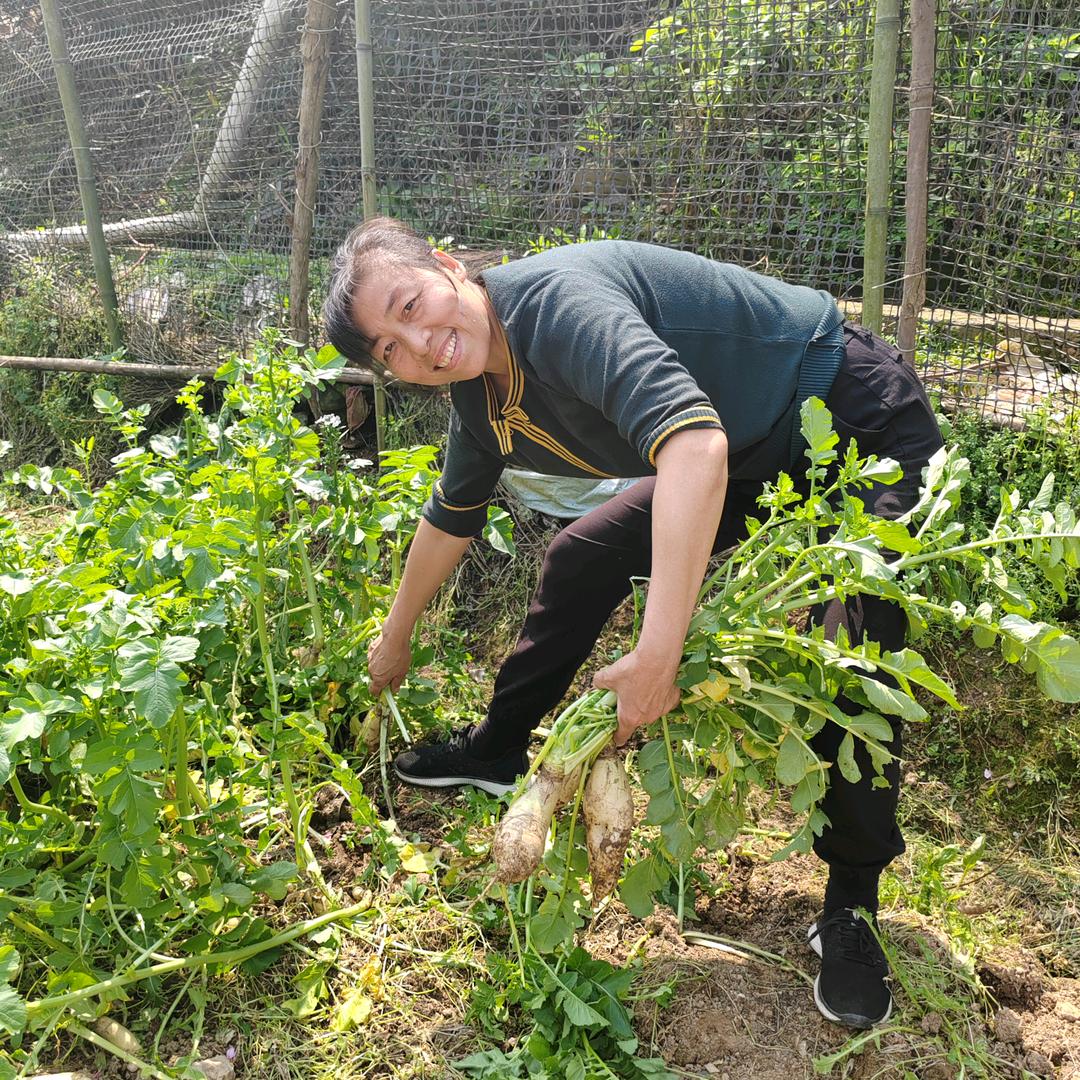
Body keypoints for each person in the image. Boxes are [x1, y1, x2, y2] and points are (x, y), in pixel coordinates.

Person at [323, 217, 944, 1030]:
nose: (419, 344)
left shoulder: (557, 308)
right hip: (749, 451)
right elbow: (452, 514)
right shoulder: (480, 395)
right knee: (584, 554)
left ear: (448, 268)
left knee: (851, 654)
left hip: (851, 412)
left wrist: (658, 655)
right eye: (390, 347)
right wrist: (395, 634)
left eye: (411, 306)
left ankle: (852, 905)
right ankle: (498, 749)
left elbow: (694, 448)